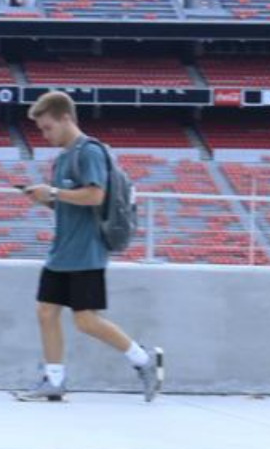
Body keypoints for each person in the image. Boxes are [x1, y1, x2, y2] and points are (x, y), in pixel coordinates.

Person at [16, 89, 165, 403]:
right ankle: (54, 380)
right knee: (46, 312)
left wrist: (53, 193)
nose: (44, 135)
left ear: (65, 118)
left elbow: (96, 196)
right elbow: (69, 202)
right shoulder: (62, 159)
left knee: (86, 320)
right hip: (62, 251)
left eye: (47, 128)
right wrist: (45, 198)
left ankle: (144, 360)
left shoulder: (90, 152)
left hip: (86, 252)